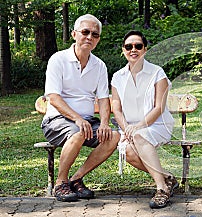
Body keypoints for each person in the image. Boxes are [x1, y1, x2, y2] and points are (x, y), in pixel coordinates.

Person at [41, 14, 120, 202]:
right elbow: (53, 97)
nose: (89, 37)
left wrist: (104, 123)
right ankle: (61, 183)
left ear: (98, 39)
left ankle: (76, 179)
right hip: (57, 121)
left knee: (114, 136)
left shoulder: (99, 65)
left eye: (95, 34)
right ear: (74, 34)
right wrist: (77, 119)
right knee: (78, 132)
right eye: (85, 32)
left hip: (86, 122)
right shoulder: (58, 60)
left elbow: (103, 99)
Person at [111, 30, 178, 209]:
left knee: (139, 137)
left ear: (145, 50)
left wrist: (138, 127)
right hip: (130, 128)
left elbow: (159, 107)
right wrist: (126, 129)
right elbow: (116, 109)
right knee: (129, 152)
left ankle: (161, 189)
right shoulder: (118, 77)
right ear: (123, 51)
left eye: (138, 46)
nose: (133, 49)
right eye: (128, 46)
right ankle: (167, 177)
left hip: (157, 125)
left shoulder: (157, 73)